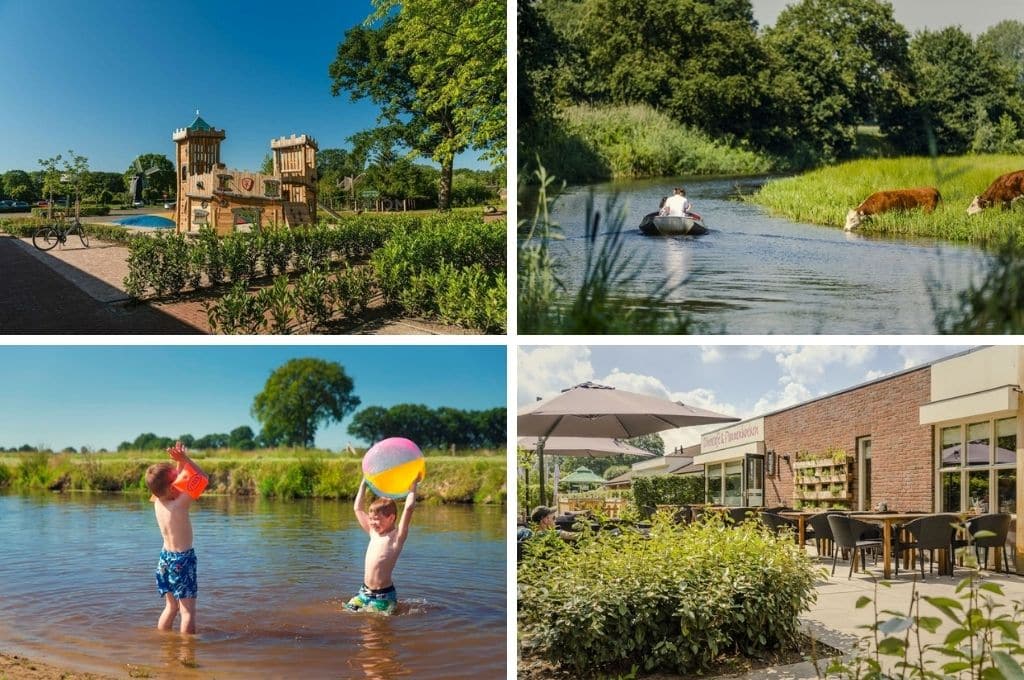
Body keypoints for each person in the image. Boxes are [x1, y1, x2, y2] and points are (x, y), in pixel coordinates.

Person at [146, 441, 208, 634]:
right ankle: (186, 653)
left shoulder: (157, 501)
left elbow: (169, 483)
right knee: (187, 611)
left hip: (165, 559)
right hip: (183, 560)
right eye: (177, 478)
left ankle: (164, 643)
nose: (181, 476)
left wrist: (178, 462)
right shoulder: (179, 504)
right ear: (173, 487)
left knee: (171, 607)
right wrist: (186, 459)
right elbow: (203, 478)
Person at [346, 479, 417, 614]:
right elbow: (357, 508)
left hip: (383, 596)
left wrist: (413, 486)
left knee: (375, 629)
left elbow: (408, 509)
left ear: (391, 518)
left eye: (376, 519)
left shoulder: (397, 537)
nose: (372, 522)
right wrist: (363, 484)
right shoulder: (373, 533)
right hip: (364, 593)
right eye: (371, 518)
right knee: (347, 612)